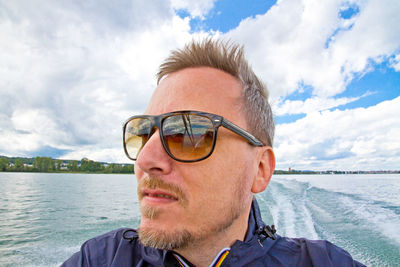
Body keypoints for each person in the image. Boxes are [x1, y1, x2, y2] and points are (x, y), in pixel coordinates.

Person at [62, 39, 365, 267]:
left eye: (189, 133)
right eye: (143, 133)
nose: (145, 160)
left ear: (260, 170)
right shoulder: (101, 258)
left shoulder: (321, 262)